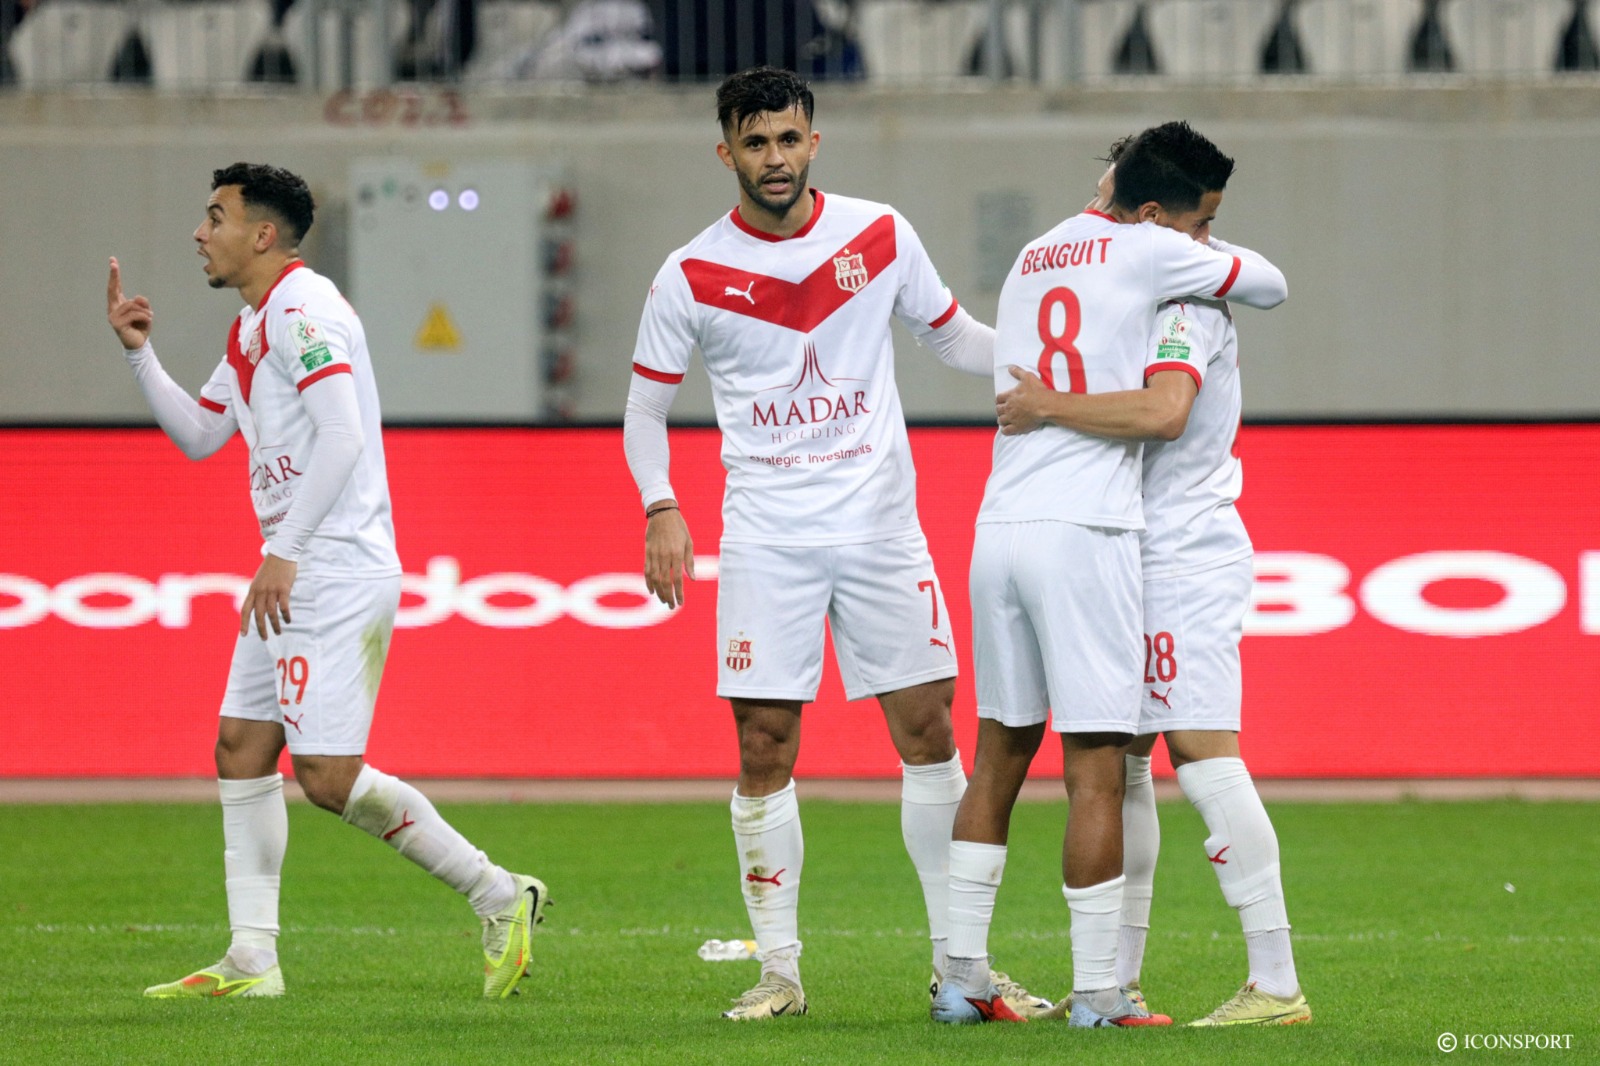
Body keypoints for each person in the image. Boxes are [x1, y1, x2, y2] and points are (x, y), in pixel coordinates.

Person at [622, 65, 1046, 1021]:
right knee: (763, 744)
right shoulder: (689, 273)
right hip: (767, 538)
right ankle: (779, 972)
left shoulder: (878, 233)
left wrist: (1056, 363)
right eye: (755, 142)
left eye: (789, 138)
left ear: (814, 141)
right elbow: (646, 408)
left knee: (929, 732)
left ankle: (960, 966)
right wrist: (660, 506)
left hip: (880, 528)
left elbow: (954, 338)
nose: (775, 158)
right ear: (726, 152)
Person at [108, 163, 546, 1001]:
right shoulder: (252, 325)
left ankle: (499, 893)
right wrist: (140, 356)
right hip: (296, 565)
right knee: (241, 748)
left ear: (262, 234)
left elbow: (343, 434)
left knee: (328, 778)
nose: (200, 233)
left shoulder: (304, 310)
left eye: (215, 217)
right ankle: (252, 959)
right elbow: (201, 435)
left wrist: (287, 549)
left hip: (332, 566)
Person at [933, 122, 1287, 1028]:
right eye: (1200, 225)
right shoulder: (1168, 272)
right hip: (1101, 533)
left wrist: (1046, 402)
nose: (1205, 242)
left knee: (1009, 753)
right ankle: (1107, 989)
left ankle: (963, 977)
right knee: (1108, 763)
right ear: (1159, 215)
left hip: (1008, 524)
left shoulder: (1038, 255)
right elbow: (1242, 318)